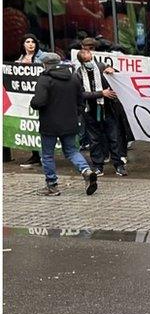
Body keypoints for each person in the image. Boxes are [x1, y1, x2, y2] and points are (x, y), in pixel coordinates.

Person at [30, 53, 98, 196]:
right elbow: (81, 100)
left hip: (50, 124)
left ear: (45, 64)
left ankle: (52, 185)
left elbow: (39, 102)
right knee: (72, 151)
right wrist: (75, 113)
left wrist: (33, 103)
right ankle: (86, 171)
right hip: (70, 122)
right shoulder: (73, 78)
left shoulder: (45, 79)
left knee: (47, 154)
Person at [75, 48, 124, 177]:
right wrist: (101, 93)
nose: (90, 62)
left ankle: (118, 165)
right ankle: (97, 166)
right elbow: (81, 94)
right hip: (90, 111)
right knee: (94, 140)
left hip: (108, 109)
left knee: (113, 138)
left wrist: (113, 71)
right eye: (86, 61)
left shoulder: (102, 67)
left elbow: (119, 78)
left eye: (90, 59)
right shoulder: (79, 74)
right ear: (82, 62)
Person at [16, 34, 43, 168]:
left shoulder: (41, 58)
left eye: (33, 41)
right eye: (27, 41)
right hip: (25, 98)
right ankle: (35, 155)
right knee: (30, 125)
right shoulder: (19, 60)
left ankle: (43, 154)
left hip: (38, 96)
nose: (31, 44)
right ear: (23, 44)